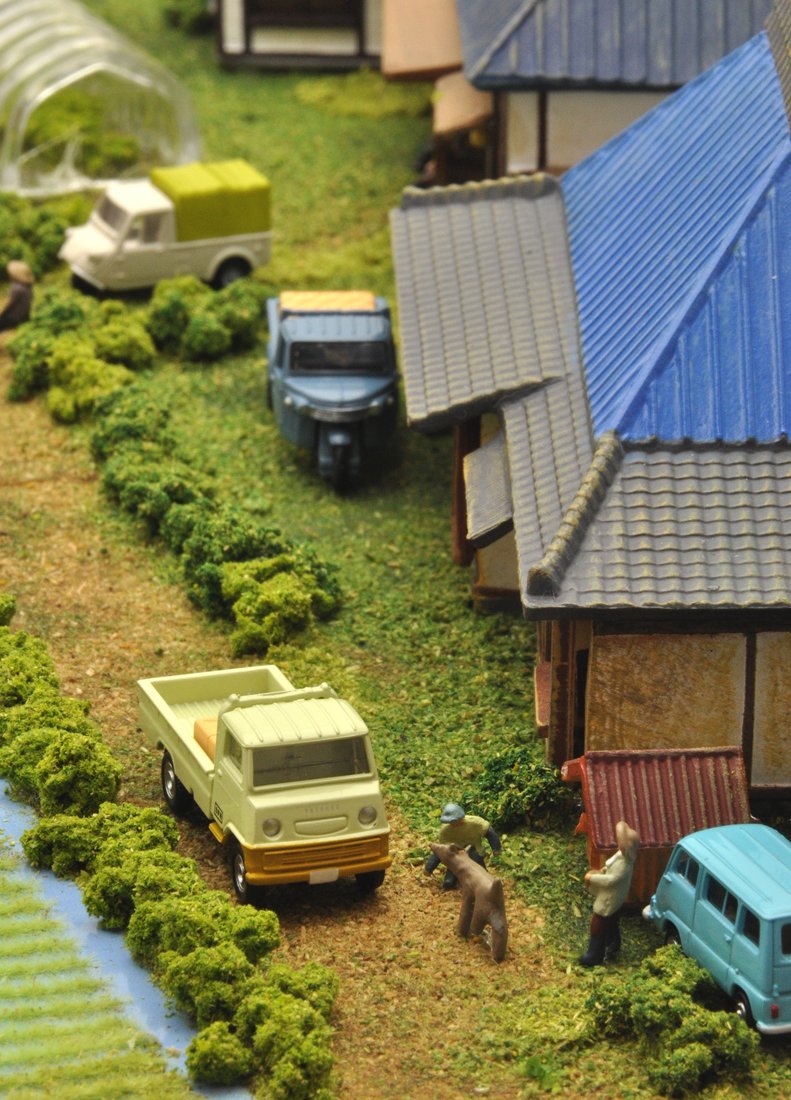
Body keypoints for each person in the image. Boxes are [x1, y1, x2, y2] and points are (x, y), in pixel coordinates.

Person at [579, 820, 640, 966]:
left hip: (610, 898)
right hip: (616, 899)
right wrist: (604, 870)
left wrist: (592, 878)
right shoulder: (621, 855)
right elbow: (610, 865)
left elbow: (610, 880)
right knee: (612, 920)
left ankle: (594, 955)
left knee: (598, 923)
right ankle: (613, 943)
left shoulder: (625, 865)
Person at [424, 802, 502, 890]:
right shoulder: (445, 831)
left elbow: (490, 833)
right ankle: (454, 881)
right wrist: (429, 867)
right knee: (449, 882)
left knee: (480, 872)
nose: (455, 823)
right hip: (455, 856)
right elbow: (441, 851)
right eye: (451, 821)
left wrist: (496, 848)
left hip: (474, 851)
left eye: (456, 820)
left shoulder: (475, 823)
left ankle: (485, 882)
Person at [0, 260, 34, 331]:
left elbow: (8, 305)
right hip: (24, 317)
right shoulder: (27, 286)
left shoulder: (16, 287)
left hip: (14, 320)